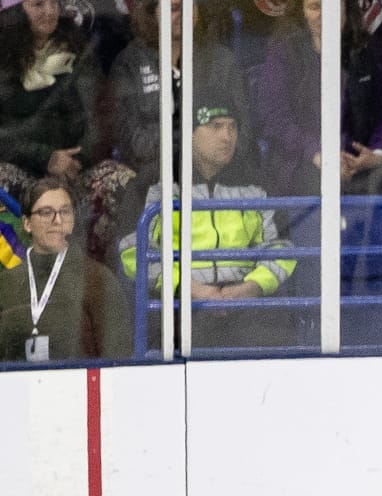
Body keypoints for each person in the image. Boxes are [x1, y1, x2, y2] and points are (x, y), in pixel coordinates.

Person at [118, 103, 298, 348]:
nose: (227, 136)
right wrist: (189, 288)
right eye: (215, 127)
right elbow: (131, 252)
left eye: (232, 127)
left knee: (276, 336)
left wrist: (251, 288)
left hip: (247, 303)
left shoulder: (257, 183)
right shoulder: (154, 182)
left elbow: (282, 247)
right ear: (190, 133)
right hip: (179, 303)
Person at [99, 0, 250, 249]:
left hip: (217, 171)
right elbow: (128, 136)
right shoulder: (130, 63)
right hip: (151, 173)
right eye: (176, 7)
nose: (184, 15)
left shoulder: (223, 61)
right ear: (153, 13)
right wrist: (187, 147)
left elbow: (243, 132)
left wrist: (205, 154)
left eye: (191, 7)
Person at [253, 0, 382, 198]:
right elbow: (275, 119)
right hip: (305, 164)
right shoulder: (284, 54)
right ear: (302, 13)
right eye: (315, 7)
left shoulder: (367, 50)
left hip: (361, 166)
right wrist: (317, 154)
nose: (324, 15)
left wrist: (377, 152)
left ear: (346, 11)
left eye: (332, 7)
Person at [0, 176, 129, 360]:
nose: (57, 220)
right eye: (46, 212)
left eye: (65, 212)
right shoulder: (6, 284)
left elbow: (119, 357)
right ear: (27, 223)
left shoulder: (98, 280)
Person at [0, 0, 99, 204]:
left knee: (119, 178)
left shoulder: (79, 52)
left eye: (54, 3)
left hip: (74, 170)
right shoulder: (4, 62)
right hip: (22, 168)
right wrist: (46, 159)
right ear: (15, 13)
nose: (50, 11)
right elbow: (5, 136)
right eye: (38, 4)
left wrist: (74, 162)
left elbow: (97, 118)